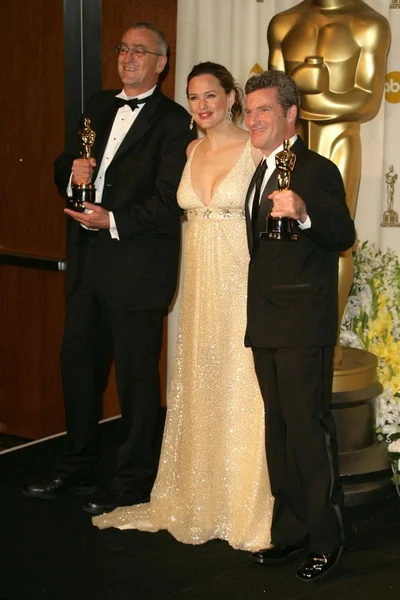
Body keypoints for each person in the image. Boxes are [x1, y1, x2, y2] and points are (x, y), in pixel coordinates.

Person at [93, 62, 273, 552]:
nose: (202, 106)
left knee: (243, 380)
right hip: (197, 285)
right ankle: (198, 494)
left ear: (232, 97)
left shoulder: (258, 151)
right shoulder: (188, 149)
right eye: (194, 97)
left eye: (211, 95)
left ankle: (242, 500)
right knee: (201, 378)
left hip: (240, 282)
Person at [23, 22, 195, 513]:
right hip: (87, 266)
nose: (128, 57)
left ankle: (133, 480)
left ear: (161, 63)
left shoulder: (175, 122)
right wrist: (69, 173)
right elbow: (66, 162)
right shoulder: (98, 104)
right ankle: (77, 467)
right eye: (123, 49)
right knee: (77, 369)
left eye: (140, 51)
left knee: (137, 383)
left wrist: (113, 218)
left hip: (138, 270)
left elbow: (170, 201)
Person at [244, 70, 356, 581]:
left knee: (308, 432)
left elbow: (341, 232)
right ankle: (291, 532)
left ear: (291, 115)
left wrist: (306, 211)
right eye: (248, 111)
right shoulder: (261, 169)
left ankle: (326, 537)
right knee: (279, 432)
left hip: (303, 321)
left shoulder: (315, 169)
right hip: (266, 320)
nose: (253, 119)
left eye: (263, 110)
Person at [267, 0, 390, 365]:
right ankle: (284, 332)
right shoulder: (284, 23)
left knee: (336, 241)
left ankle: (326, 340)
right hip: (286, 145)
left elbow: (367, 102)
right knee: (278, 235)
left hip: (338, 142)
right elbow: (272, 97)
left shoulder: (369, 23)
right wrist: (309, 97)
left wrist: (304, 95)